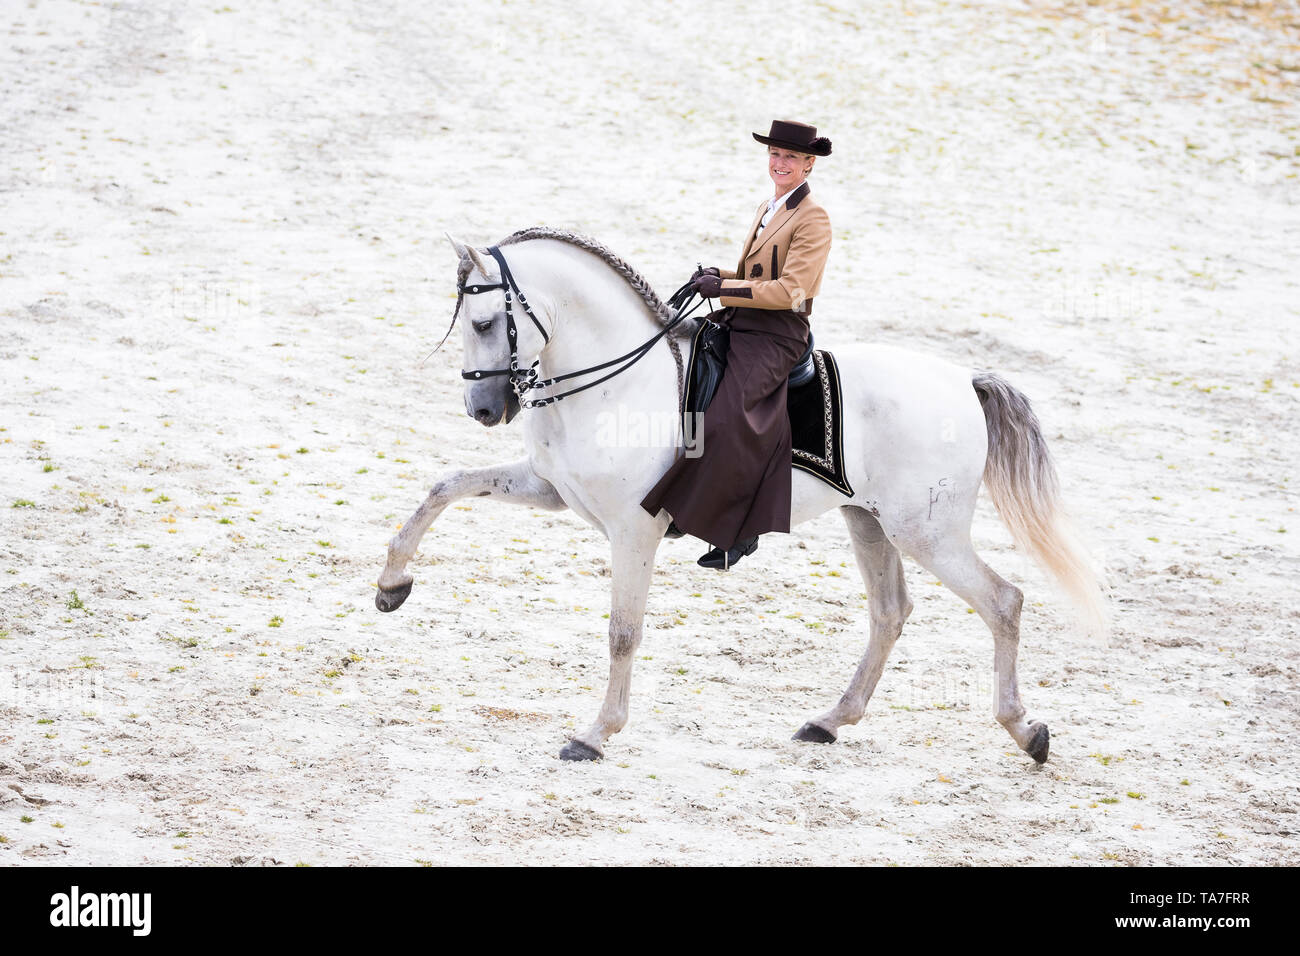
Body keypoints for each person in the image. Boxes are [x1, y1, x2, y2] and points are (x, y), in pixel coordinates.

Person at [640, 119, 833, 570]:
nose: (780, 163)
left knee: (730, 415)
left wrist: (723, 291)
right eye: (775, 155)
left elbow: (791, 291)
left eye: (790, 157)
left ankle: (741, 531)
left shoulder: (813, 217)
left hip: (778, 332)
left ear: (808, 165)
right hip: (746, 318)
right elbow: (757, 275)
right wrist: (718, 276)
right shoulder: (771, 206)